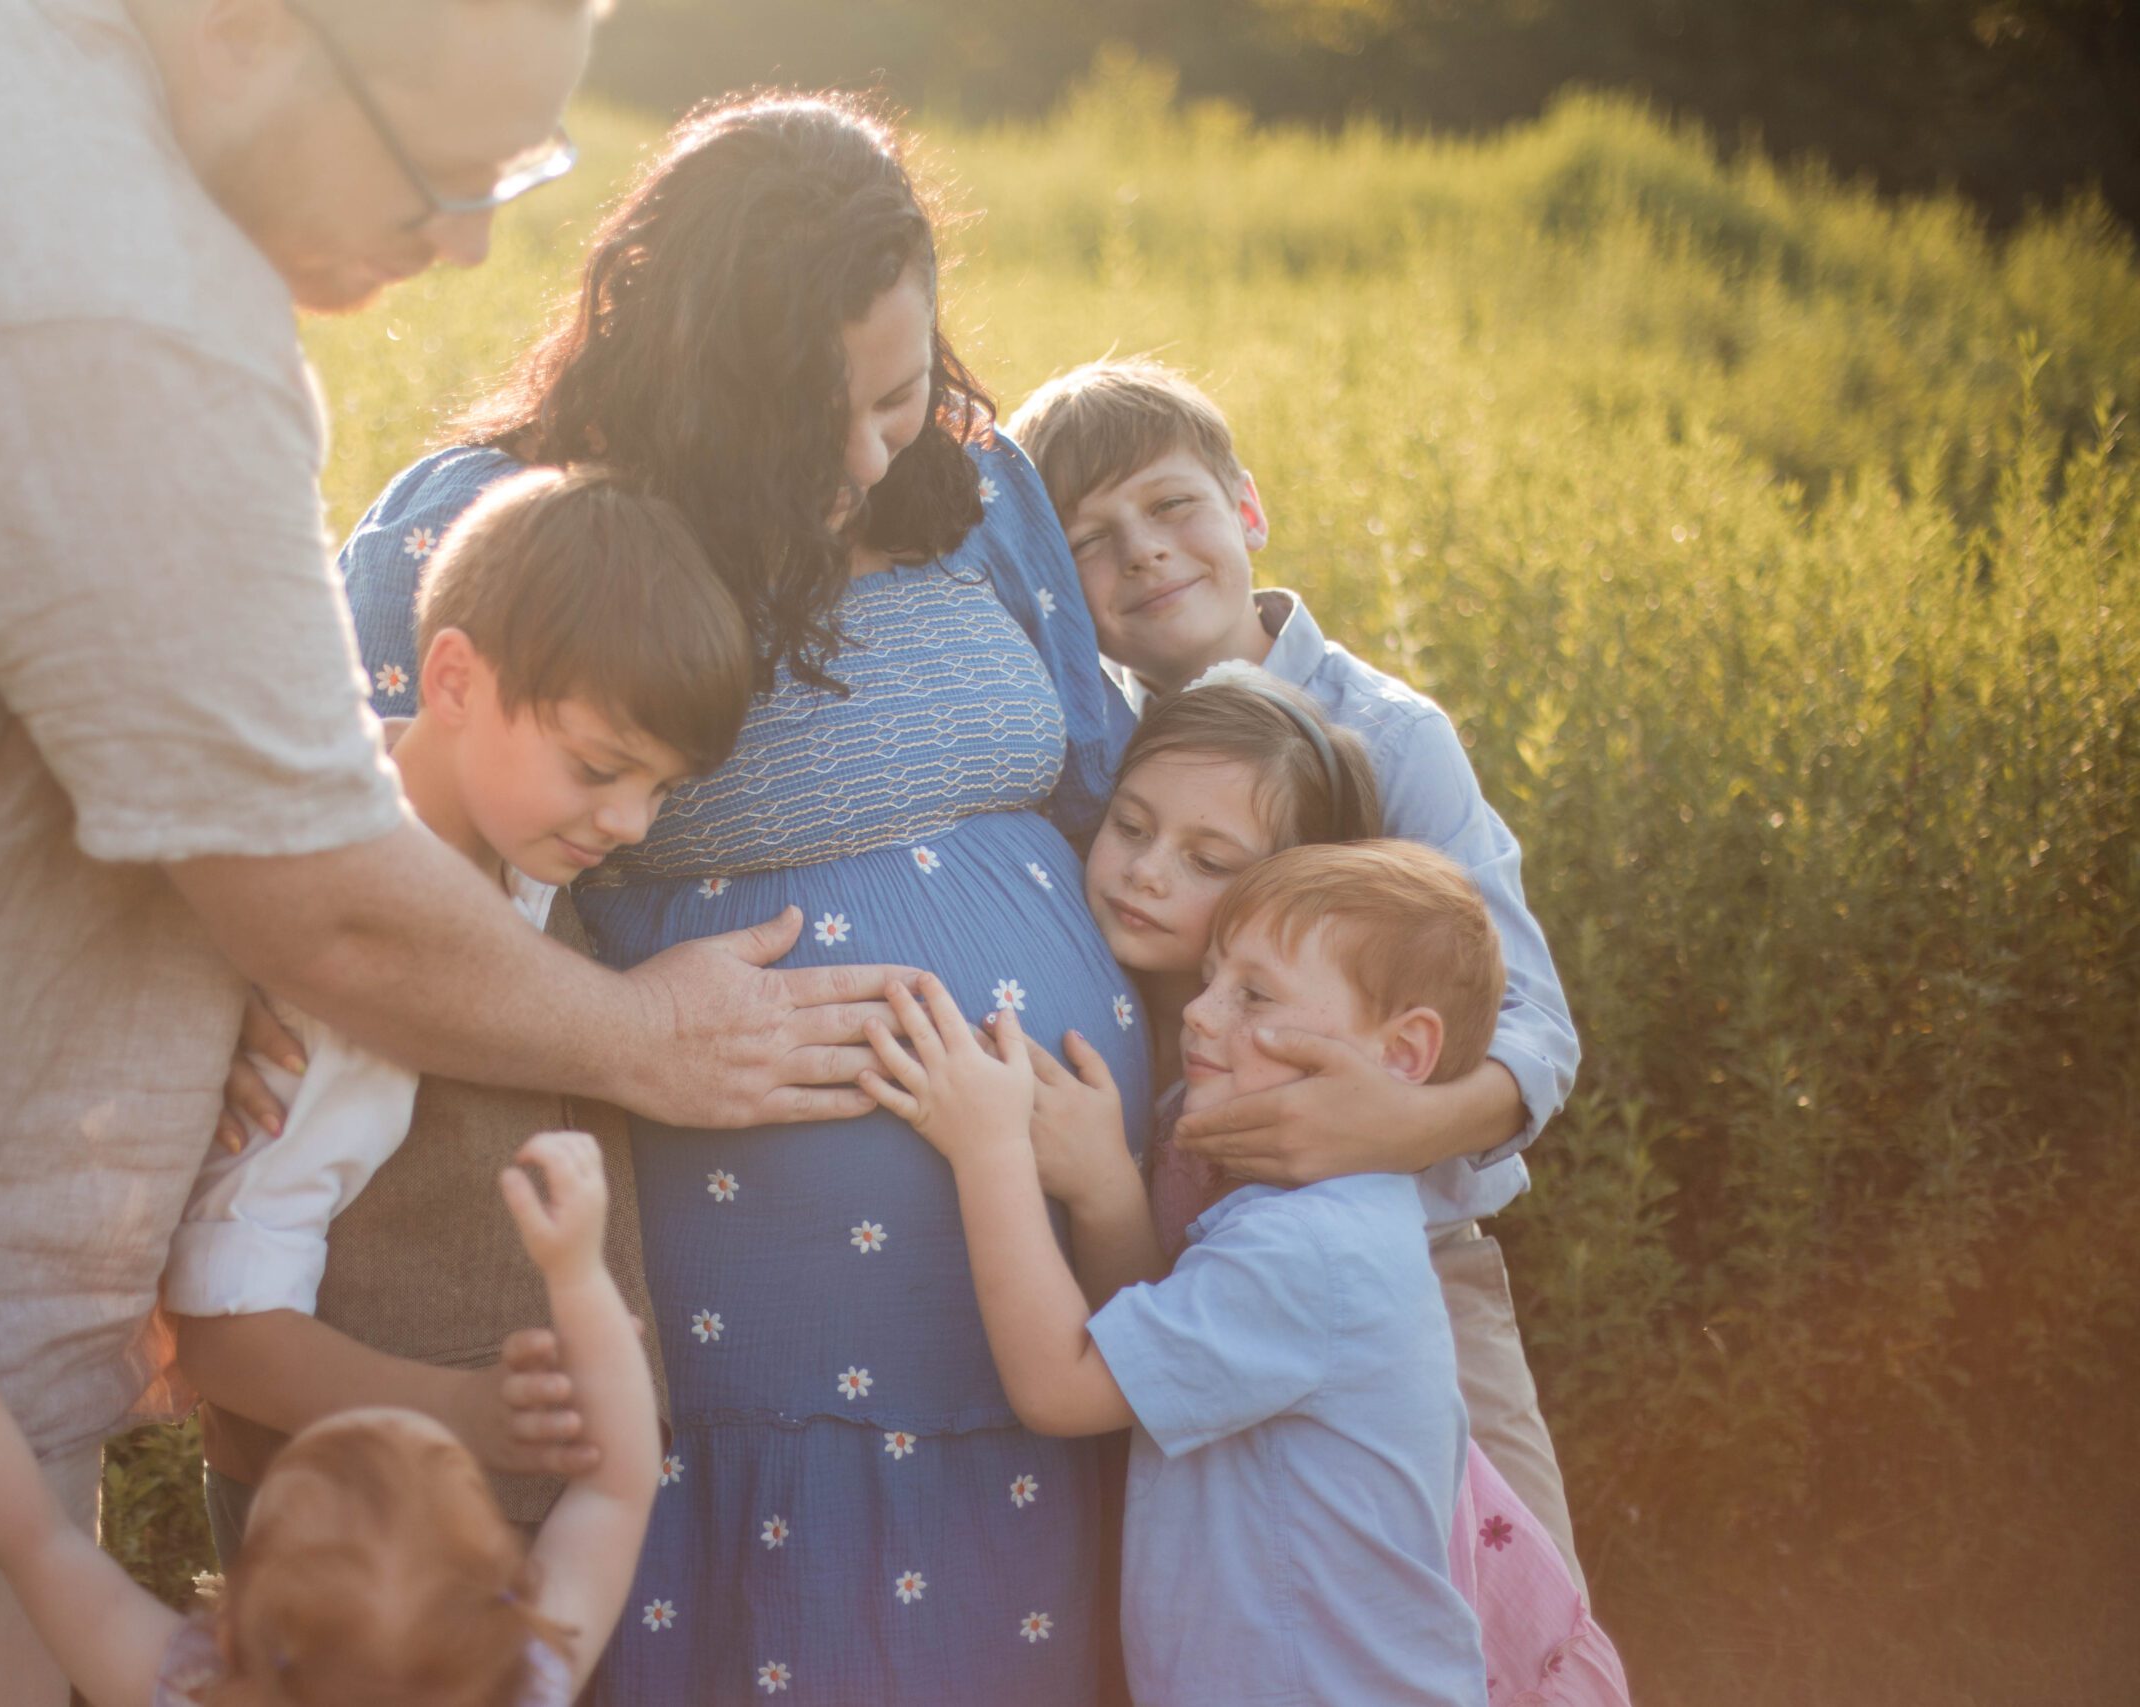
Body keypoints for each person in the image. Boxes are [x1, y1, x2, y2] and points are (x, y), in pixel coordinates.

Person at [0, 3, 901, 1700]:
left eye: (520, 169)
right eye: (448, 166)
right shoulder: (101, 293)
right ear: (248, 22)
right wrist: (641, 1037)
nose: (476, 238)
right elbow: (331, 913)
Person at [337, 93, 1149, 1703]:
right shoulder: (484, 527)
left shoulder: (977, 496)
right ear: (699, 380)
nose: (866, 456)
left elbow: (1109, 805)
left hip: (1062, 1315)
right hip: (731, 1367)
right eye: (812, 417)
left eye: (899, 393)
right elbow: (348, 854)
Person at [1009, 356, 1591, 1584]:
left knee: (1497, 1595)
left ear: (1248, 509)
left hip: (1408, 1271)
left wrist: (1398, 1121)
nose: (1146, 554)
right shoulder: (1090, 752)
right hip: (1188, 1268)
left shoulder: (1383, 735)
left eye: (1173, 508)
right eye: (1092, 540)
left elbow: (1535, 1025)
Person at [165, 467, 753, 1560]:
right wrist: (464, 1416)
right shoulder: (351, 981)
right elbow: (223, 1331)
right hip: (360, 1564)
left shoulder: (502, 849)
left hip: (476, 1539)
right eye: (598, 768)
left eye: (661, 789)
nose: (628, 822)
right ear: (451, 680)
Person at [860, 841, 1517, 1707]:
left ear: (1403, 1053)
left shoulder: (1309, 1255)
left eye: (1254, 994)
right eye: (1209, 979)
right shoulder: (1317, 1219)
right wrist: (1102, 1187)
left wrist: (988, 1146)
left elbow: (1064, 1386)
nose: (1200, 1014)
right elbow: (1151, 1349)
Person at [0, 1129, 659, 1707]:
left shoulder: (196, 1685)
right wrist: (577, 1272)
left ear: (240, 1616)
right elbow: (618, 1489)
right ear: (508, 1607)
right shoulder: (521, 1682)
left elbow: (29, 1535)